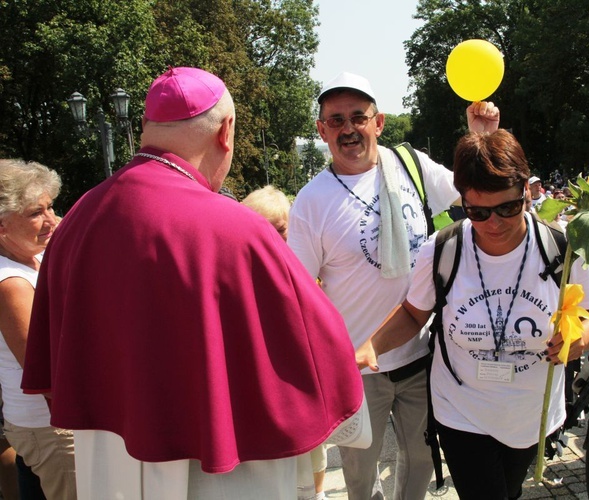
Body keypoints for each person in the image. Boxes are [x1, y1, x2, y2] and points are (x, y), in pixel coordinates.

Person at [21, 67, 363, 499]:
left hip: (110, 455)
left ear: (147, 128)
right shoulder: (237, 229)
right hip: (222, 462)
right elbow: (312, 343)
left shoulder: (79, 219)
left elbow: (56, 364)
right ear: (226, 131)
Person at [356, 129, 589, 500]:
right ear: (463, 201)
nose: (494, 224)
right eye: (477, 212)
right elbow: (413, 314)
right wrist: (371, 347)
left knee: (508, 490)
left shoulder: (562, 247)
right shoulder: (442, 250)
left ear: (526, 190)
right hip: (461, 409)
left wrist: (581, 338)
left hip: (529, 413)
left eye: (507, 208)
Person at [287, 71, 499, 500]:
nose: (348, 129)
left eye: (358, 117)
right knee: (360, 472)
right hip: (359, 366)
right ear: (321, 130)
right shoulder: (312, 200)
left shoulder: (412, 165)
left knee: (421, 461)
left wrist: (484, 140)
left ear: (379, 122)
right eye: (335, 120)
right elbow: (298, 290)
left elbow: (478, 192)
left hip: (423, 354)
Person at [241, 185, 328, 500]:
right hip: (264, 380)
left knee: (314, 449)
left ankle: (317, 493)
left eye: (279, 229)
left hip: (302, 377)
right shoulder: (240, 269)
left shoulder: (307, 267)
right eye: (261, 229)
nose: (272, 238)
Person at [0, 159, 76, 499]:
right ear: (2, 226)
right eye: (35, 213)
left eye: (51, 207)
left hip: (48, 423)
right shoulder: (10, 283)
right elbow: (45, 370)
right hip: (52, 425)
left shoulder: (34, 257)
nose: (51, 220)